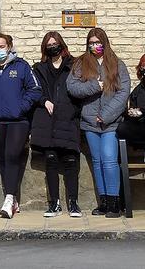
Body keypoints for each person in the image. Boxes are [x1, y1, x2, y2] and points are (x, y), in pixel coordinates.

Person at [67, 28, 130, 218]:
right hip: (89, 122)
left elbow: (123, 92)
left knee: (109, 160)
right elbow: (72, 87)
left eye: (98, 42)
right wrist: (95, 86)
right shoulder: (80, 64)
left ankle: (114, 202)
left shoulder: (117, 64)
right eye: (91, 43)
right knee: (97, 162)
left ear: (105, 42)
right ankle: (103, 202)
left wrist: (106, 115)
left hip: (110, 122)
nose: (95, 46)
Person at [0, 33, 41, 219]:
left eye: (2, 46)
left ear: (9, 47)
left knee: (12, 155)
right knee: (2, 158)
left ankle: (8, 199)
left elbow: (35, 90)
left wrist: (20, 108)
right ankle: (13, 199)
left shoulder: (21, 66)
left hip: (18, 121)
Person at [31, 32, 82, 218]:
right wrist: (44, 101)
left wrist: (73, 110)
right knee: (51, 159)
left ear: (61, 44)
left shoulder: (74, 65)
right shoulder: (38, 68)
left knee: (70, 159)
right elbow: (33, 90)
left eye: (55, 43)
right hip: (47, 119)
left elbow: (81, 90)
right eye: (49, 44)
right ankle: (54, 203)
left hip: (67, 118)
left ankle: (73, 202)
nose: (53, 46)